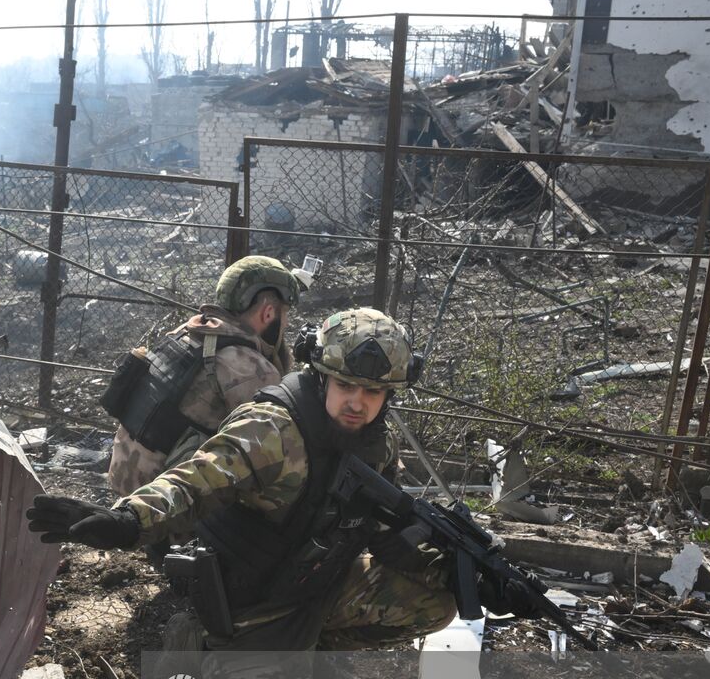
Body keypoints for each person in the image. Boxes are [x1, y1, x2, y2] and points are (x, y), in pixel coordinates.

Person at [33, 307, 461, 653]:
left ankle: (316, 649)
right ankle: (203, 645)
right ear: (322, 376)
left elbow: (385, 511)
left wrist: (418, 548)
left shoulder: (375, 441)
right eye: (346, 384)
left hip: (315, 584)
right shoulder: (273, 429)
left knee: (434, 603)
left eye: (373, 392)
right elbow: (192, 483)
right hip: (252, 600)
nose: (357, 402)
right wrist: (128, 521)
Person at [102, 256, 301, 499]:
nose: (287, 323)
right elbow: (273, 450)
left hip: (123, 481)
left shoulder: (185, 333)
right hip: (163, 505)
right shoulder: (251, 369)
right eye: (285, 314)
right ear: (269, 313)